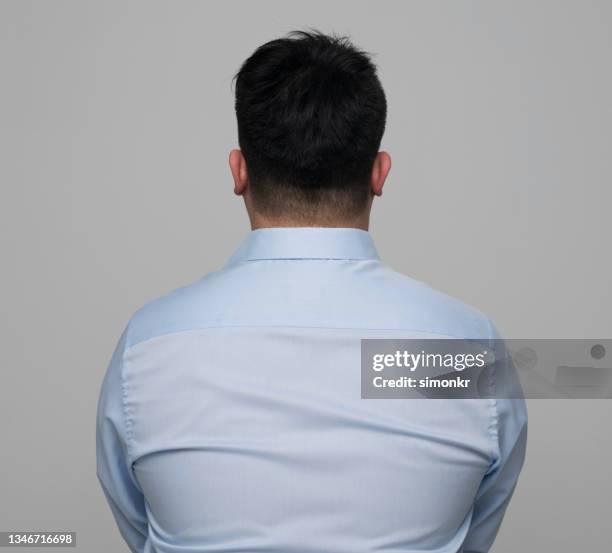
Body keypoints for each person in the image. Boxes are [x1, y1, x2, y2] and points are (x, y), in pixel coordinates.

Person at [96, 30, 527, 553]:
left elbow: (140, 529)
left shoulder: (146, 345)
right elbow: (473, 531)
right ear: (379, 173)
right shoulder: (468, 350)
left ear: (239, 171)